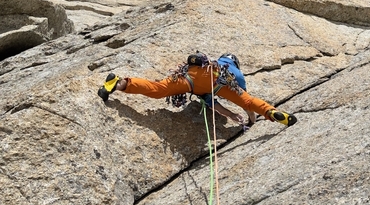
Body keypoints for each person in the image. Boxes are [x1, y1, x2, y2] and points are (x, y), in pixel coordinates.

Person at [98, 52, 297, 127]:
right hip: (221, 81)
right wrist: (252, 120)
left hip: (192, 76)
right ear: (235, 62)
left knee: (158, 89)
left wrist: (229, 114)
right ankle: (272, 112)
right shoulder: (236, 73)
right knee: (248, 100)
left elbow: (212, 104)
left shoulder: (214, 61)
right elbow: (246, 104)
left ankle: (121, 83)